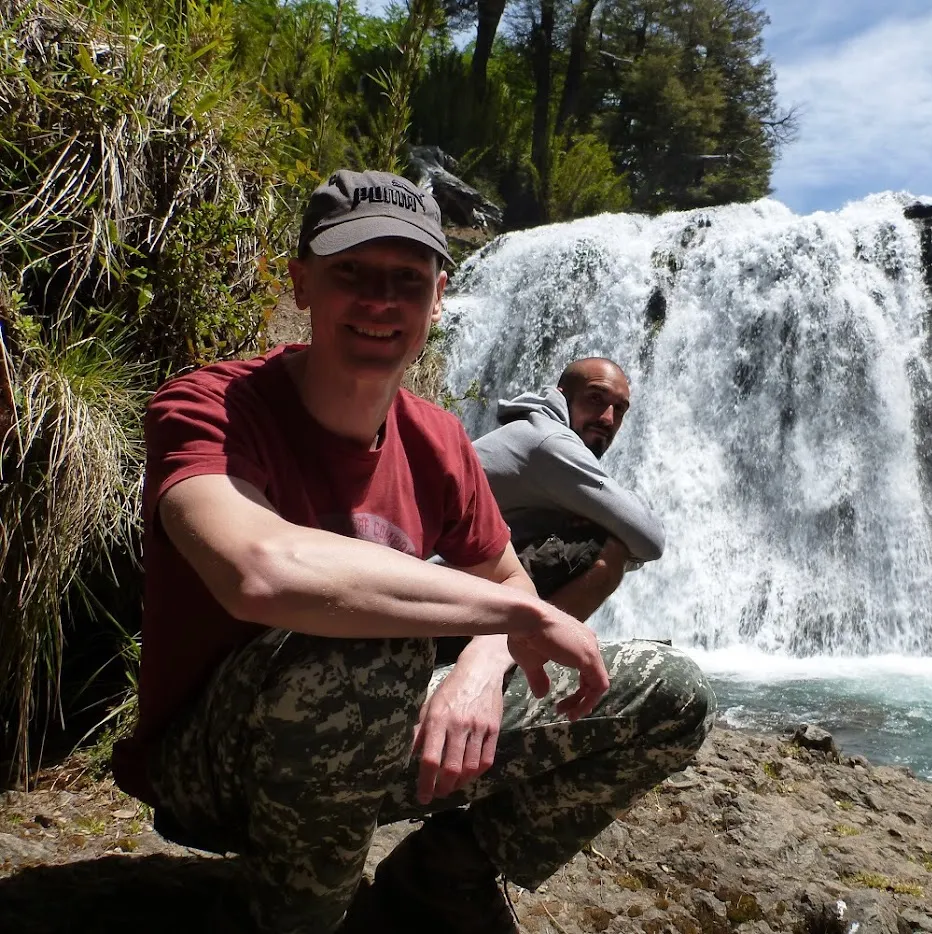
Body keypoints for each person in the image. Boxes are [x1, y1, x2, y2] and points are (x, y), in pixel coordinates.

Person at [110, 168, 715, 934]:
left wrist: (476, 668)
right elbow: (256, 570)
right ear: (301, 284)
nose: (378, 300)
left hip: (362, 731)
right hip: (213, 771)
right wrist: (511, 614)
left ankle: (444, 875)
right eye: (349, 273)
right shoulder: (208, 407)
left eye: (406, 279)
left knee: (669, 691)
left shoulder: (438, 440)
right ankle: (292, 915)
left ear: (437, 299)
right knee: (374, 642)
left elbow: (505, 576)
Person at [469, 358, 664, 626]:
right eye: (596, 398)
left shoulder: (532, 432)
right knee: (609, 546)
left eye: (619, 409)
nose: (608, 418)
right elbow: (651, 539)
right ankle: (509, 652)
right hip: (440, 598)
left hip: (446, 587)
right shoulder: (549, 442)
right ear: (564, 395)